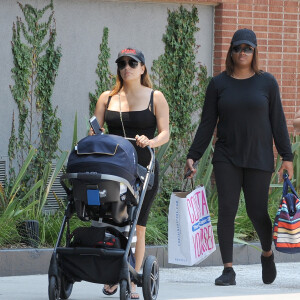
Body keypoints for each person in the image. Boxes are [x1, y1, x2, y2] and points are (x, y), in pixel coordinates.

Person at [184, 28, 293, 286]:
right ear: (230, 52)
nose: (241, 52)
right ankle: (228, 269)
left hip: (259, 156)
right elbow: (207, 123)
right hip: (226, 156)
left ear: (254, 52)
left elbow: (278, 121)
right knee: (227, 211)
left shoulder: (267, 83)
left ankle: (267, 254)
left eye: (246, 48)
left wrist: (287, 156)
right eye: (236, 48)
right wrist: (193, 155)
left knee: (257, 212)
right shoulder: (218, 84)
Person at [91, 47, 169, 299]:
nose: (127, 67)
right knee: (112, 220)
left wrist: (151, 141)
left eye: (132, 63)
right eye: (122, 63)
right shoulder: (107, 97)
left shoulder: (155, 97)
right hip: (113, 168)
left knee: (138, 227)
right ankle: (113, 275)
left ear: (142, 68)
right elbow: (97, 128)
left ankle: (134, 278)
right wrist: (95, 133)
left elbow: (165, 133)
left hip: (143, 170)